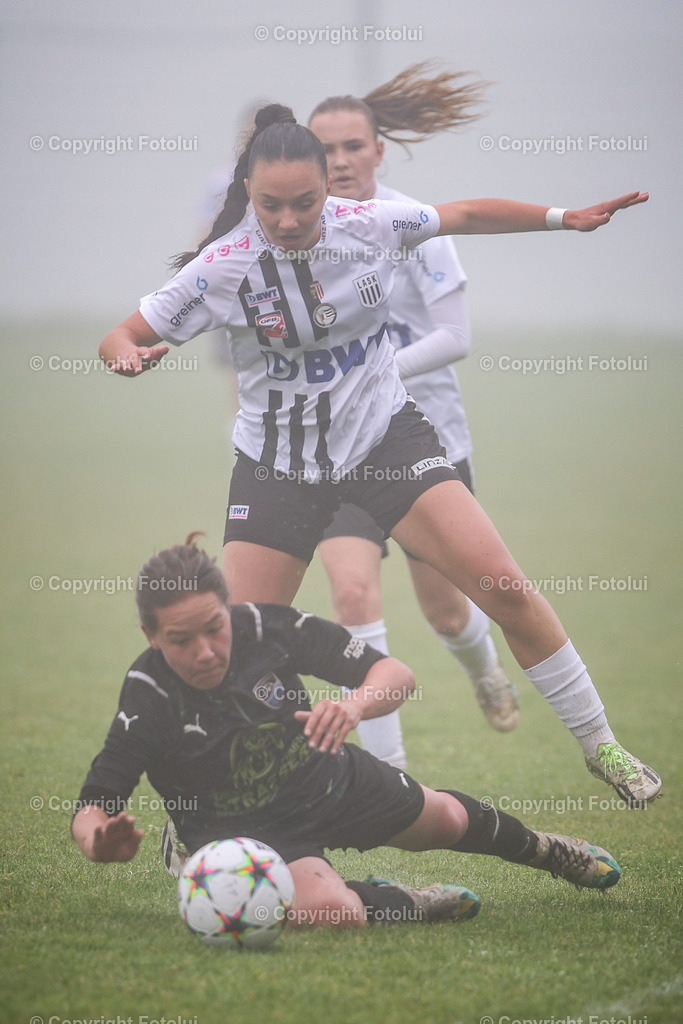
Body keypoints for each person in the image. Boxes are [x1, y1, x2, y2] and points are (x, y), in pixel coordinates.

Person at [98, 103, 660, 806]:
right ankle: (194, 816)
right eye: (272, 205)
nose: (290, 219)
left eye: (305, 202)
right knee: (229, 648)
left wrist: (562, 217)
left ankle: (601, 745)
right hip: (279, 468)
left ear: (327, 189)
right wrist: (128, 357)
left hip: (383, 443)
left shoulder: (368, 226)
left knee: (504, 588)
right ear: (248, 194)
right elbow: (121, 332)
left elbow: (466, 215)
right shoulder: (221, 267)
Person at [72, 535, 622, 930]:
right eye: (180, 639)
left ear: (228, 609)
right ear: (150, 634)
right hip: (249, 837)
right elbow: (94, 803)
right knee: (336, 915)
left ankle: (549, 852)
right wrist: (98, 842)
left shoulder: (267, 627)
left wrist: (355, 706)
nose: (206, 652)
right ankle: (401, 901)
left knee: (451, 818)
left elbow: (396, 675)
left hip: (326, 780)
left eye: (214, 628)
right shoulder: (147, 695)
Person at [310, 67, 518, 771]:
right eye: (324, 149)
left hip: (421, 443)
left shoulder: (416, 225)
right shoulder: (291, 231)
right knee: (350, 593)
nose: (338, 161)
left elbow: (455, 337)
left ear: (378, 151)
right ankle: (387, 780)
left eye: (351, 146)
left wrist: (371, 375)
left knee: (448, 614)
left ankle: (483, 668)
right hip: (336, 450)